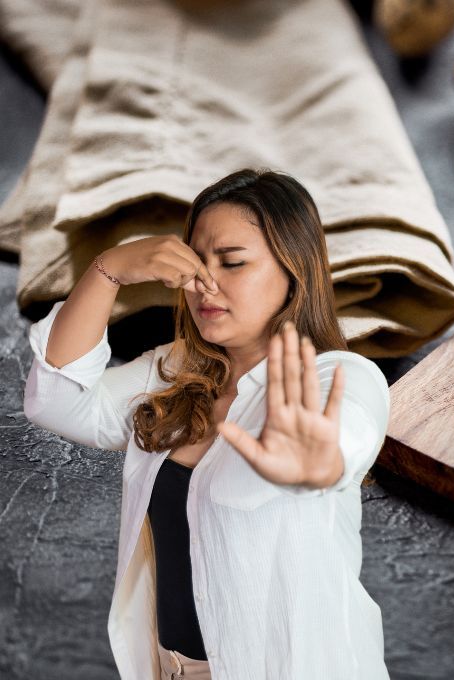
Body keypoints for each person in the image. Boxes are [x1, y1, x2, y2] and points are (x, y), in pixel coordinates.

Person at [22, 168, 392, 679]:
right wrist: (108, 269)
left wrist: (317, 461)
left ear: (293, 272)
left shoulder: (339, 376)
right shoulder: (172, 372)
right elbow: (56, 402)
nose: (205, 284)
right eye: (197, 263)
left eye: (233, 262)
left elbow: (345, 438)